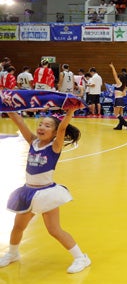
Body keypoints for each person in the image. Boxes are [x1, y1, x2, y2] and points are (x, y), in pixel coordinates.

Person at [1, 109, 91, 274]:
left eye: (47, 125)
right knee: (17, 227)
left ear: (55, 132)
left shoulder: (55, 147)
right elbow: (19, 121)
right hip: (27, 192)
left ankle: (81, 258)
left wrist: (70, 112)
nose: (41, 127)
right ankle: (13, 254)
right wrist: (7, 105)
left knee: (54, 230)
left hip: (46, 194)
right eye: (40, 124)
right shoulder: (33, 142)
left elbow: (63, 128)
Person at [109, 63, 127, 130]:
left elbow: (114, 75)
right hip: (121, 100)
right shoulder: (123, 86)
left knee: (116, 114)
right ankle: (120, 126)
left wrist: (112, 67)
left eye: (118, 77)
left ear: (119, 78)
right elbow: (124, 94)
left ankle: (125, 123)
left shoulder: (119, 83)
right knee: (120, 114)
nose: (117, 78)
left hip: (118, 100)